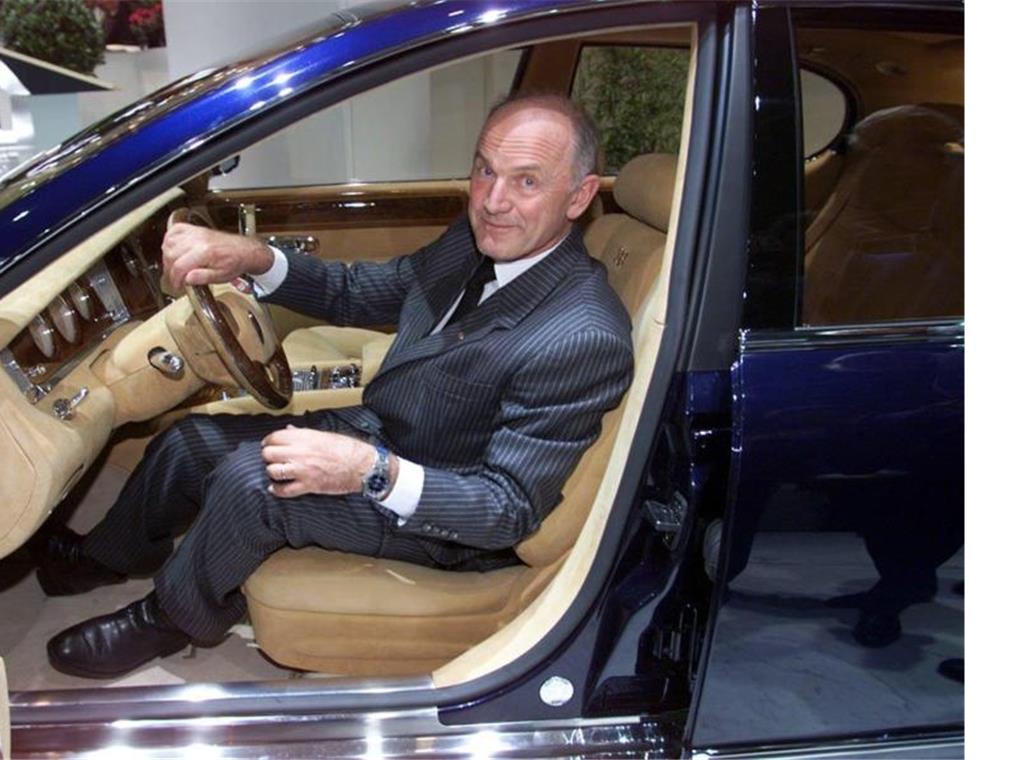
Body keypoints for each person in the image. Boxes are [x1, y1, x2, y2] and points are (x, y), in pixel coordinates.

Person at [40, 93, 635, 678]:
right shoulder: (477, 240)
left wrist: (370, 470)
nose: (494, 200)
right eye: (485, 170)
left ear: (580, 195)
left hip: (443, 517)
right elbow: (360, 291)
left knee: (254, 482)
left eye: (527, 181)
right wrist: (252, 257)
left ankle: (170, 617)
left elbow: (505, 508)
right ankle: (106, 557)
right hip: (385, 428)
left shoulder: (580, 333)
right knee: (189, 441)